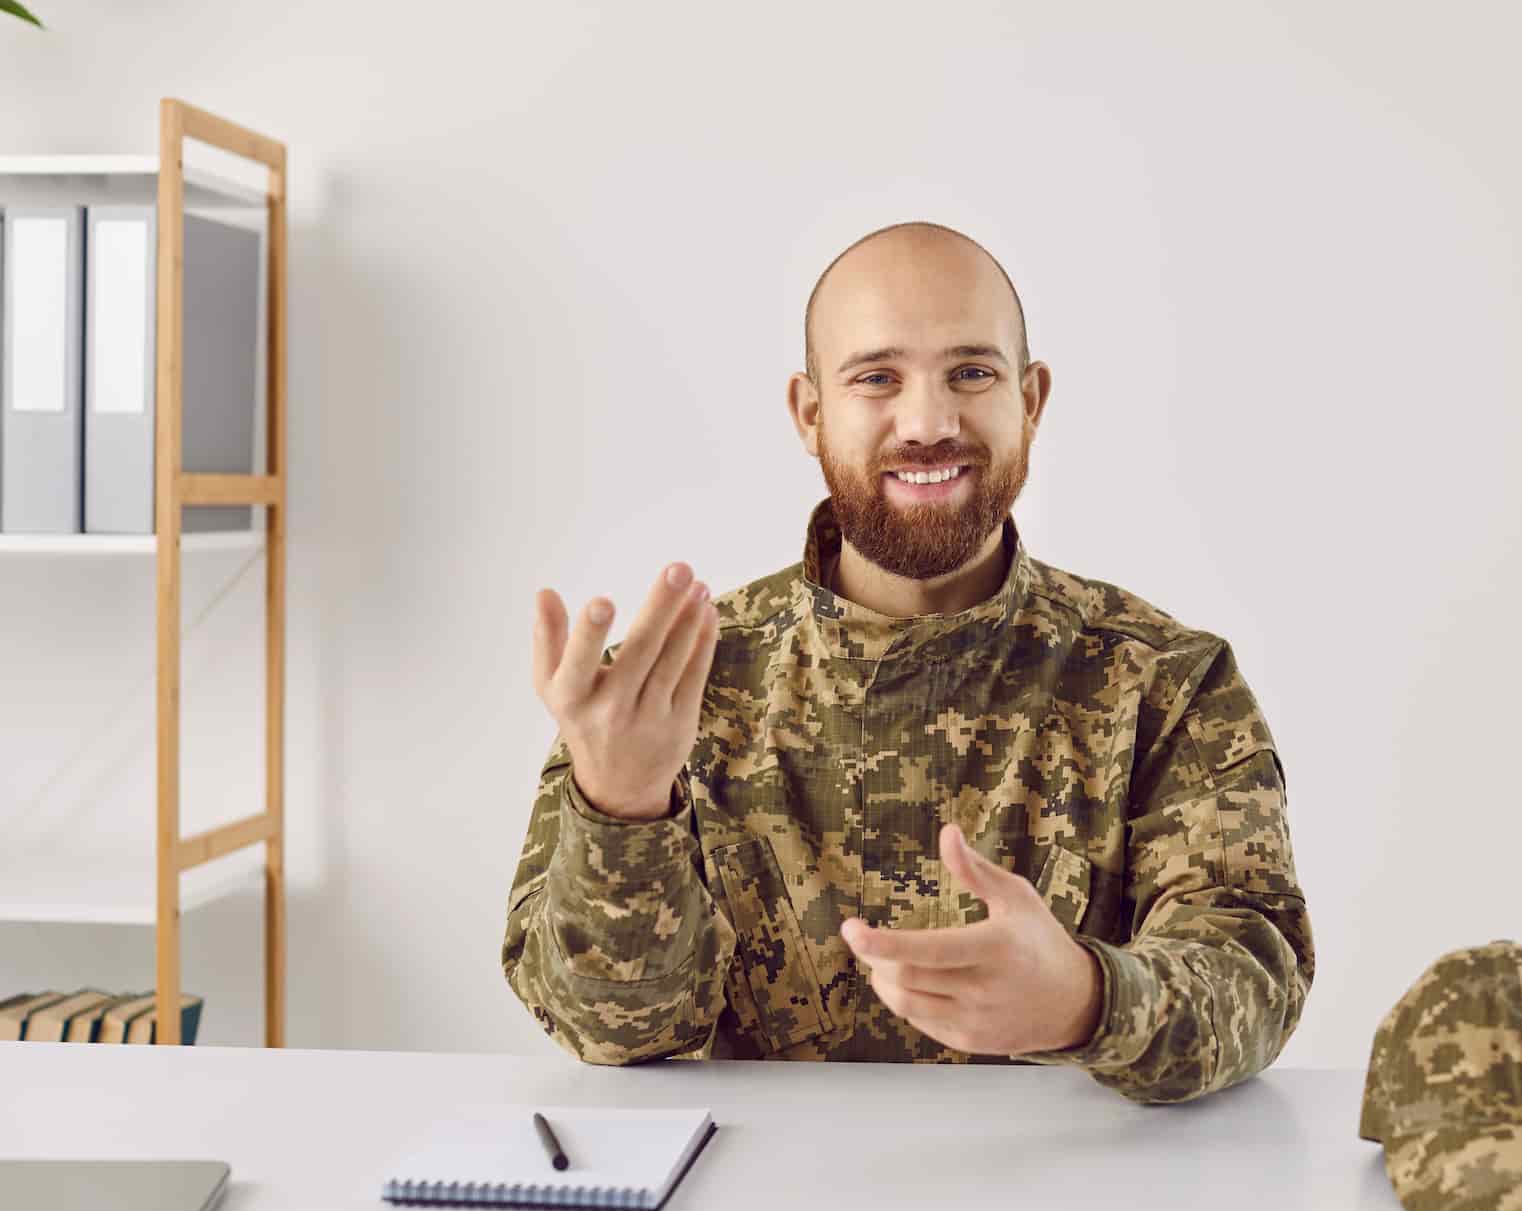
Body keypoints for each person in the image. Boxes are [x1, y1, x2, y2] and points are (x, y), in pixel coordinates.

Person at [502, 221, 1314, 1104]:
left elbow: (1253, 978)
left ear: (1031, 400)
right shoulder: (670, 692)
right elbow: (609, 1035)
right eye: (877, 378)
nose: (928, 423)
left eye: (972, 372)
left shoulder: (1164, 683)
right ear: (810, 412)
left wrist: (1089, 1000)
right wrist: (622, 810)